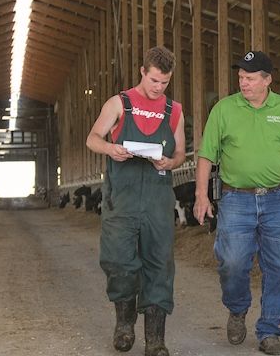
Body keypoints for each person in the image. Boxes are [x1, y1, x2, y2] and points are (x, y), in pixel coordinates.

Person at [193, 50, 280, 355]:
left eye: (249, 78)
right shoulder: (223, 110)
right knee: (232, 262)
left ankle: (269, 330)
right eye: (240, 77)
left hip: (278, 198)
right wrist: (201, 195)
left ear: (267, 80)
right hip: (236, 198)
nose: (243, 83)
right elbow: (206, 155)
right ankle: (237, 309)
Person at [86, 46, 186, 356]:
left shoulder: (174, 111)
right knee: (118, 260)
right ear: (142, 72)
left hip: (157, 198)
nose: (159, 88)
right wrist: (110, 149)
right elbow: (92, 138)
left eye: (165, 83)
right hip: (123, 199)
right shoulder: (119, 103)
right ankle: (124, 323)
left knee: (159, 264)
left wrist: (170, 163)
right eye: (154, 80)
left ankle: (155, 340)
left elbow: (180, 152)